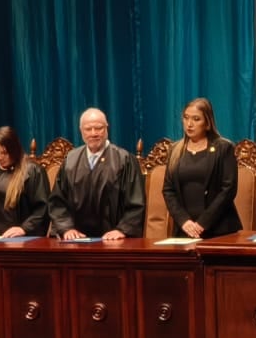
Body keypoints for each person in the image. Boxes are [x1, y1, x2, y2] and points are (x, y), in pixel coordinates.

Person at [48, 108, 144, 241]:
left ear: (107, 128)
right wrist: (66, 228)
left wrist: (122, 230)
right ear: (81, 131)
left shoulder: (124, 160)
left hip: (114, 240)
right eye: (88, 129)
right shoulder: (71, 160)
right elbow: (58, 201)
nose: (93, 133)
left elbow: (136, 202)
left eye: (99, 128)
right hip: (76, 239)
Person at [160, 98, 241, 239]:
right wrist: (184, 221)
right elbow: (168, 190)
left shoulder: (223, 148)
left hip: (219, 230)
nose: (189, 124)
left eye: (196, 119)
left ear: (207, 123)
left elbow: (228, 190)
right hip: (185, 231)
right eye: (186, 118)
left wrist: (203, 223)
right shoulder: (175, 149)